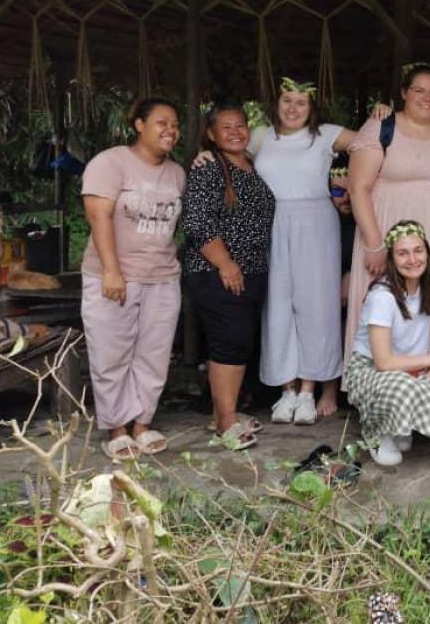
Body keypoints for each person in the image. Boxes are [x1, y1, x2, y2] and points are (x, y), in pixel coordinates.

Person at [346, 65, 430, 388]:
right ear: (403, 93)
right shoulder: (381, 127)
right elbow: (357, 188)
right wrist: (374, 244)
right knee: (387, 307)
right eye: (419, 90)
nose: (427, 98)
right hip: (385, 232)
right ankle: (381, 391)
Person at [81, 97, 186, 460]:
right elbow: (99, 218)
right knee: (111, 352)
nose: (170, 129)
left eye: (174, 123)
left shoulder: (176, 172)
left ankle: (142, 424)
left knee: (154, 354)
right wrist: (112, 270)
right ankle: (116, 428)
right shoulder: (109, 163)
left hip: (162, 276)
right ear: (139, 125)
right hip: (114, 276)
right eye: (161, 122)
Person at [252, 77, 360, 425]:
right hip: (272, 220)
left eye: (301, 102)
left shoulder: (326, 134)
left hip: (316, 220)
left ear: (312, 108)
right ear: (276, 103)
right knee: (278, 302)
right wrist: (207, 153)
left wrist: (350, 181)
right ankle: (286, 390)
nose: (293, 108)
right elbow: (226, 151)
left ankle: (308, 390)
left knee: (316, 305)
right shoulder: (260, 137)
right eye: (287, 100)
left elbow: (373, 146)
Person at [183, 105, 274, 450]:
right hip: (217, 271)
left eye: (241, 125)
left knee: (235, 342)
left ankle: (222, 414)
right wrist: (226, 264)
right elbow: (198, 223)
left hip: (250, 270)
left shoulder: (251, 164)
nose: (235, 132)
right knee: (229, 342)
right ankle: (227, 423)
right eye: (226, 127)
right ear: (211, 133)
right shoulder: (208, 169)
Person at [344, 221, 430, 466]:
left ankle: (401, 423)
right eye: (402, 253)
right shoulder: (382, 297)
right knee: (399, 385)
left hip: (410, 367)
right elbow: (384, 362)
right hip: (371, 369)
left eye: (418, 250)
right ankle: (376, 433)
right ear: (392, 259)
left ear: (427, 252)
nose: (412, 259)